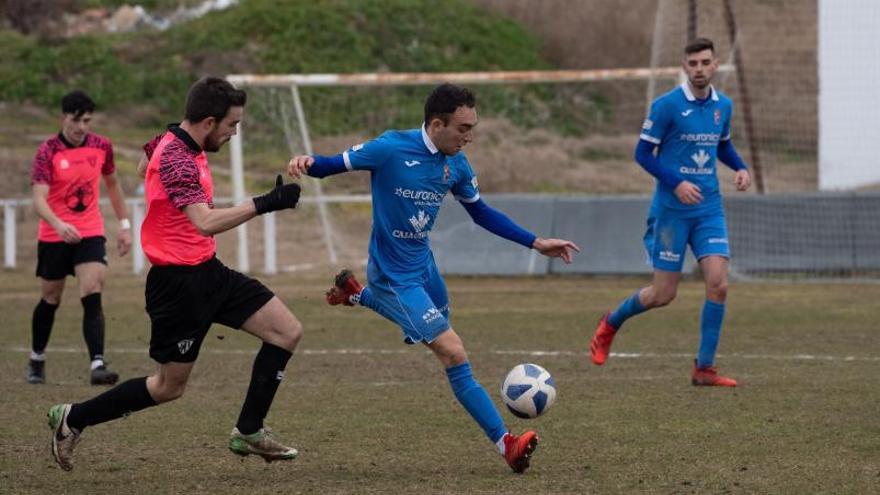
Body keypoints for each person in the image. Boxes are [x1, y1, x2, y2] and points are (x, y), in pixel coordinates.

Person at [287, 83, 579, 473]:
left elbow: (482, 213)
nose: (469, 136)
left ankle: (355, 294)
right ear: (436, 124)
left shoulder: (456, 164)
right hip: (393, 275)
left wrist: (535, 241)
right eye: (462, 128)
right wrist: (306, 162)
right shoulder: (390, 148)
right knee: (452, 351)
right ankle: (505, 443)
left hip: (425, 268)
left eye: (472, 127)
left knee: (432, 337)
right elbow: (330, 165)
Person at [48, 77, 304, 471]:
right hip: (177, 287)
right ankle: (74, 418)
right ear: (207, 121)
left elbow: (140, 166)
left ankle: (249, 430)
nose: (234, 133)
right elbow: (203, 221)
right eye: (231, 125)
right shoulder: (177, 159)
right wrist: (265, 202)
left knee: (287, 331)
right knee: (168, 388)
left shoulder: (171, 142)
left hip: (209, 272)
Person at [589, 38, 752, 386]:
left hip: (709, 209)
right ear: (684, 66)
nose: (699, 69)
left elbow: (721, 144)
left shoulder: (724, 105)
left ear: (715, 64)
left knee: (719, 285)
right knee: (663, 295)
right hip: (671, 212)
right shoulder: (667, 106)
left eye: (705, 62)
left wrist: (740, 167)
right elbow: (643, 154)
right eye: (692, 63)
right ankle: (611, 323)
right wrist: (676, 183)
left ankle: (704, 369)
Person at [28, 90, 132, 386]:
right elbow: (38, 199)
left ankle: (98, 364)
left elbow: (113, 185)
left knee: (92, 287)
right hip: (54, 234)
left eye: (87, 120)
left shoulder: (102, 146)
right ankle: (37, 357)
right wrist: (58, 224)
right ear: (63, 118)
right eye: (76, 121)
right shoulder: (47, 151)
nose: (82, 127)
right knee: (51, 298)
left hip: (89, 231)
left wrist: (124, 225)